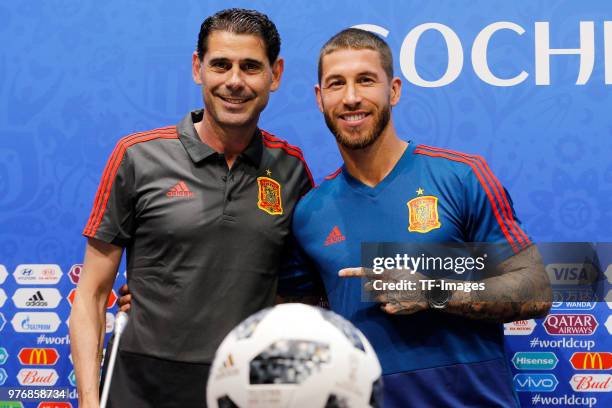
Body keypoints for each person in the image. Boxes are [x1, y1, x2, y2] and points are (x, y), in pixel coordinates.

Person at [290, 28, 552, 407]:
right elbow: (297, 321)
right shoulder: (310, 212)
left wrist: (433, 292)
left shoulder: (461, 176)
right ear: (320, 98)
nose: (350, 98)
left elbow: (535, 289)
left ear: (393, 90)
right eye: (336, 84)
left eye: (366, 80)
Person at [69, 9, 314, 408]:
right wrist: (88, 401)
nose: (234, 81)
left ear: (276, 74)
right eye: (221, 65)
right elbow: (91, 295)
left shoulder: (291, 169)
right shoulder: (137, 156)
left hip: (247, 387)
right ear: (198, 68)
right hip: (139, 383)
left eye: (251, 67)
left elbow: (299, 291)